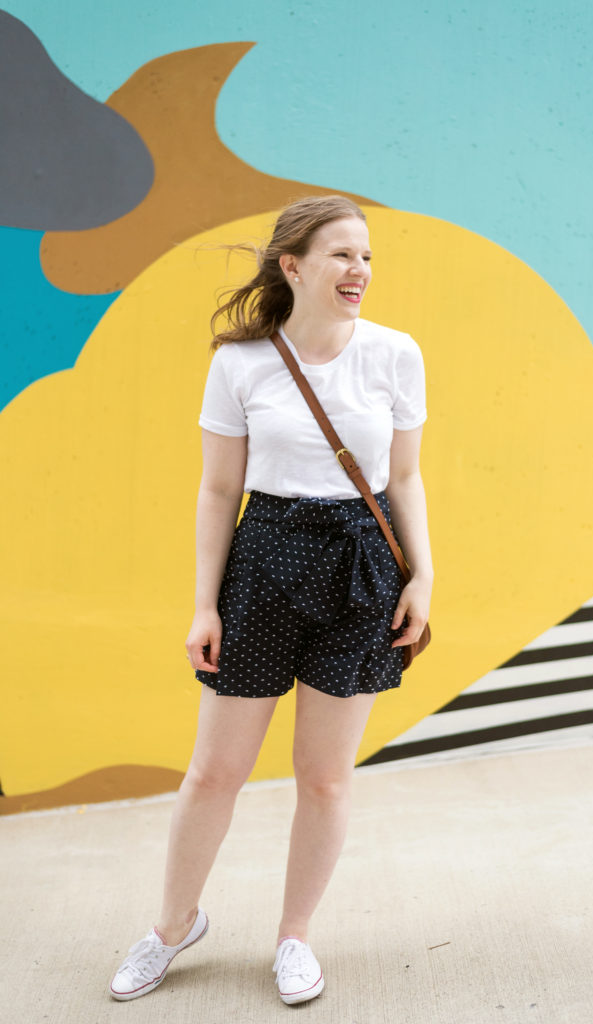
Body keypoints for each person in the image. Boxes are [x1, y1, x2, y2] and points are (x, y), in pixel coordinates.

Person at [109, 195, 433, 1006]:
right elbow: (219, 490)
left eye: (366, 257)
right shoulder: (242, 363)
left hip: (362, 569)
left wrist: (423, 575)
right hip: (261, 566)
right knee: (215, 772)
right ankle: (173, 925)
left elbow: (403, 479)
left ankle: (295, 938)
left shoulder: (396, 354)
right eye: (340, 255)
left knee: (323, 778)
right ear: (292, 266)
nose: (359, 271)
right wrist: (203, 604)